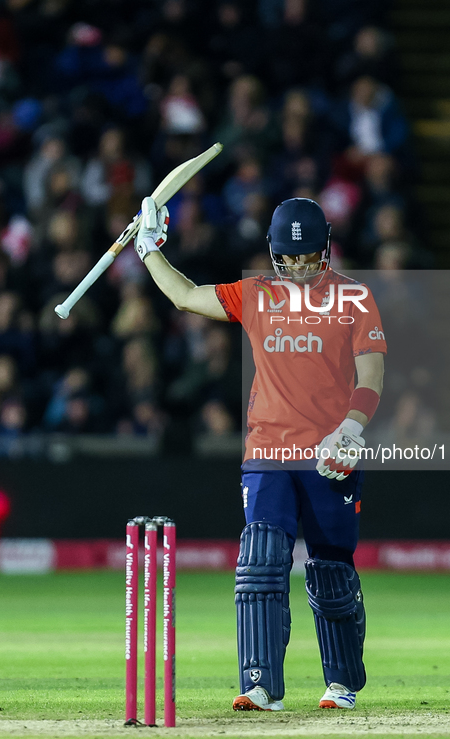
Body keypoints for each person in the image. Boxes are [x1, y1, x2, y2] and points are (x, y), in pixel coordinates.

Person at [133, 196, 386, 712]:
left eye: (309, 257)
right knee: (261, 564)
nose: (298, 268)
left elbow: (373, 373)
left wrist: (351, 431)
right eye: (289, 259)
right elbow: (185, 296)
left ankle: (342, 683)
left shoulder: (354, 298)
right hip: (267, 451)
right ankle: (261, 684)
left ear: (327, 248)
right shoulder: (256, 294)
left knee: (331, 569)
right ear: (273, 253)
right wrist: (150, 251)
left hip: (329, 454)